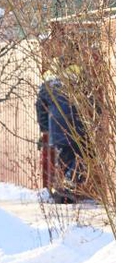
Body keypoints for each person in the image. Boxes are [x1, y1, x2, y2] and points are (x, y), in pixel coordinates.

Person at [36, 67, 86, 203]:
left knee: (66, 159)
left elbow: (41, 108)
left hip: (56, 129)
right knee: (81, 157)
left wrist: (45, 129)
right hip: (77, 127)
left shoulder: (47, 85)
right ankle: (68, 185)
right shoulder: (78, 81)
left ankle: (66, 192)